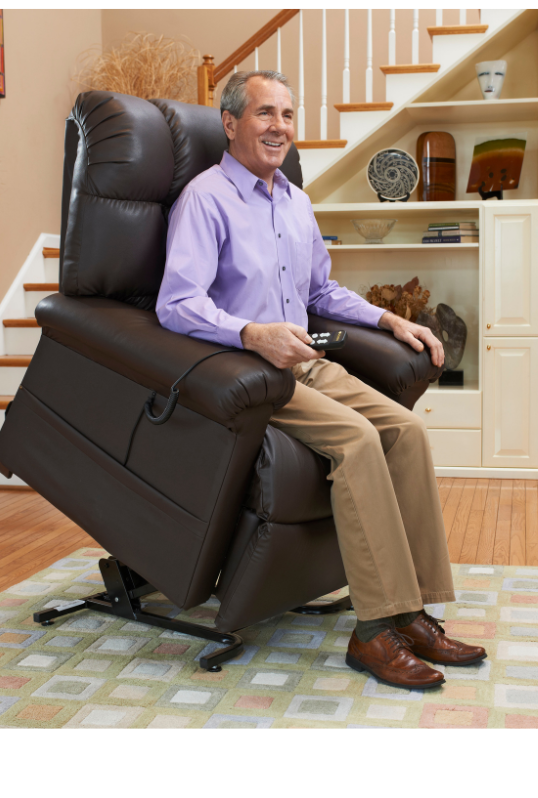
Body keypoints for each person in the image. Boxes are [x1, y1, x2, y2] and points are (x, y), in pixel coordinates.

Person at [157, 70, 486, 689]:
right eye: (264, 113)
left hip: (309, 360)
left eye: (286, 113)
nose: (279, 126)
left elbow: (321, 291)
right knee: (359, 441)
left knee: (407, 432)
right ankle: (373, 632)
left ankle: (415, 612)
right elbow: (176, 304)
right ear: (230, 124)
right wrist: (252, 333)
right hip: (250, 371)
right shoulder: (205, 198)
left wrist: (391, 318)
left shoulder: (295, 200)